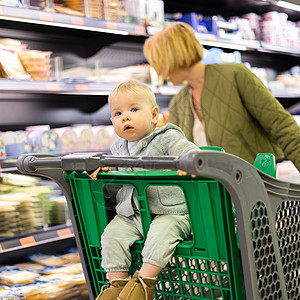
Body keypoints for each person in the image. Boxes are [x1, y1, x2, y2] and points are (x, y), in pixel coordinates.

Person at [90, 80, 200, 300]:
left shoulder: (167, 137)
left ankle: (144, 283)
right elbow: (111, 165)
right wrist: (102, 165)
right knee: (111, 236)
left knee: (161, 236)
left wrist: (190, 161)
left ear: (154, 115)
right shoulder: (117, 148)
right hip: (131, 214)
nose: (125, 117)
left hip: (170, 213)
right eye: (117, 113)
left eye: (133, 109)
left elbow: (188, 149)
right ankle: (117, 284)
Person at [143, 21, 300, 171]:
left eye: (158, 61)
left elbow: (283, 127)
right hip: (209, 192)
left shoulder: (234, 76)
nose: (157, 71)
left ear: (173, 55)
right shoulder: (178, 103)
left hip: (254, 186)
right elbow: (173, 154)